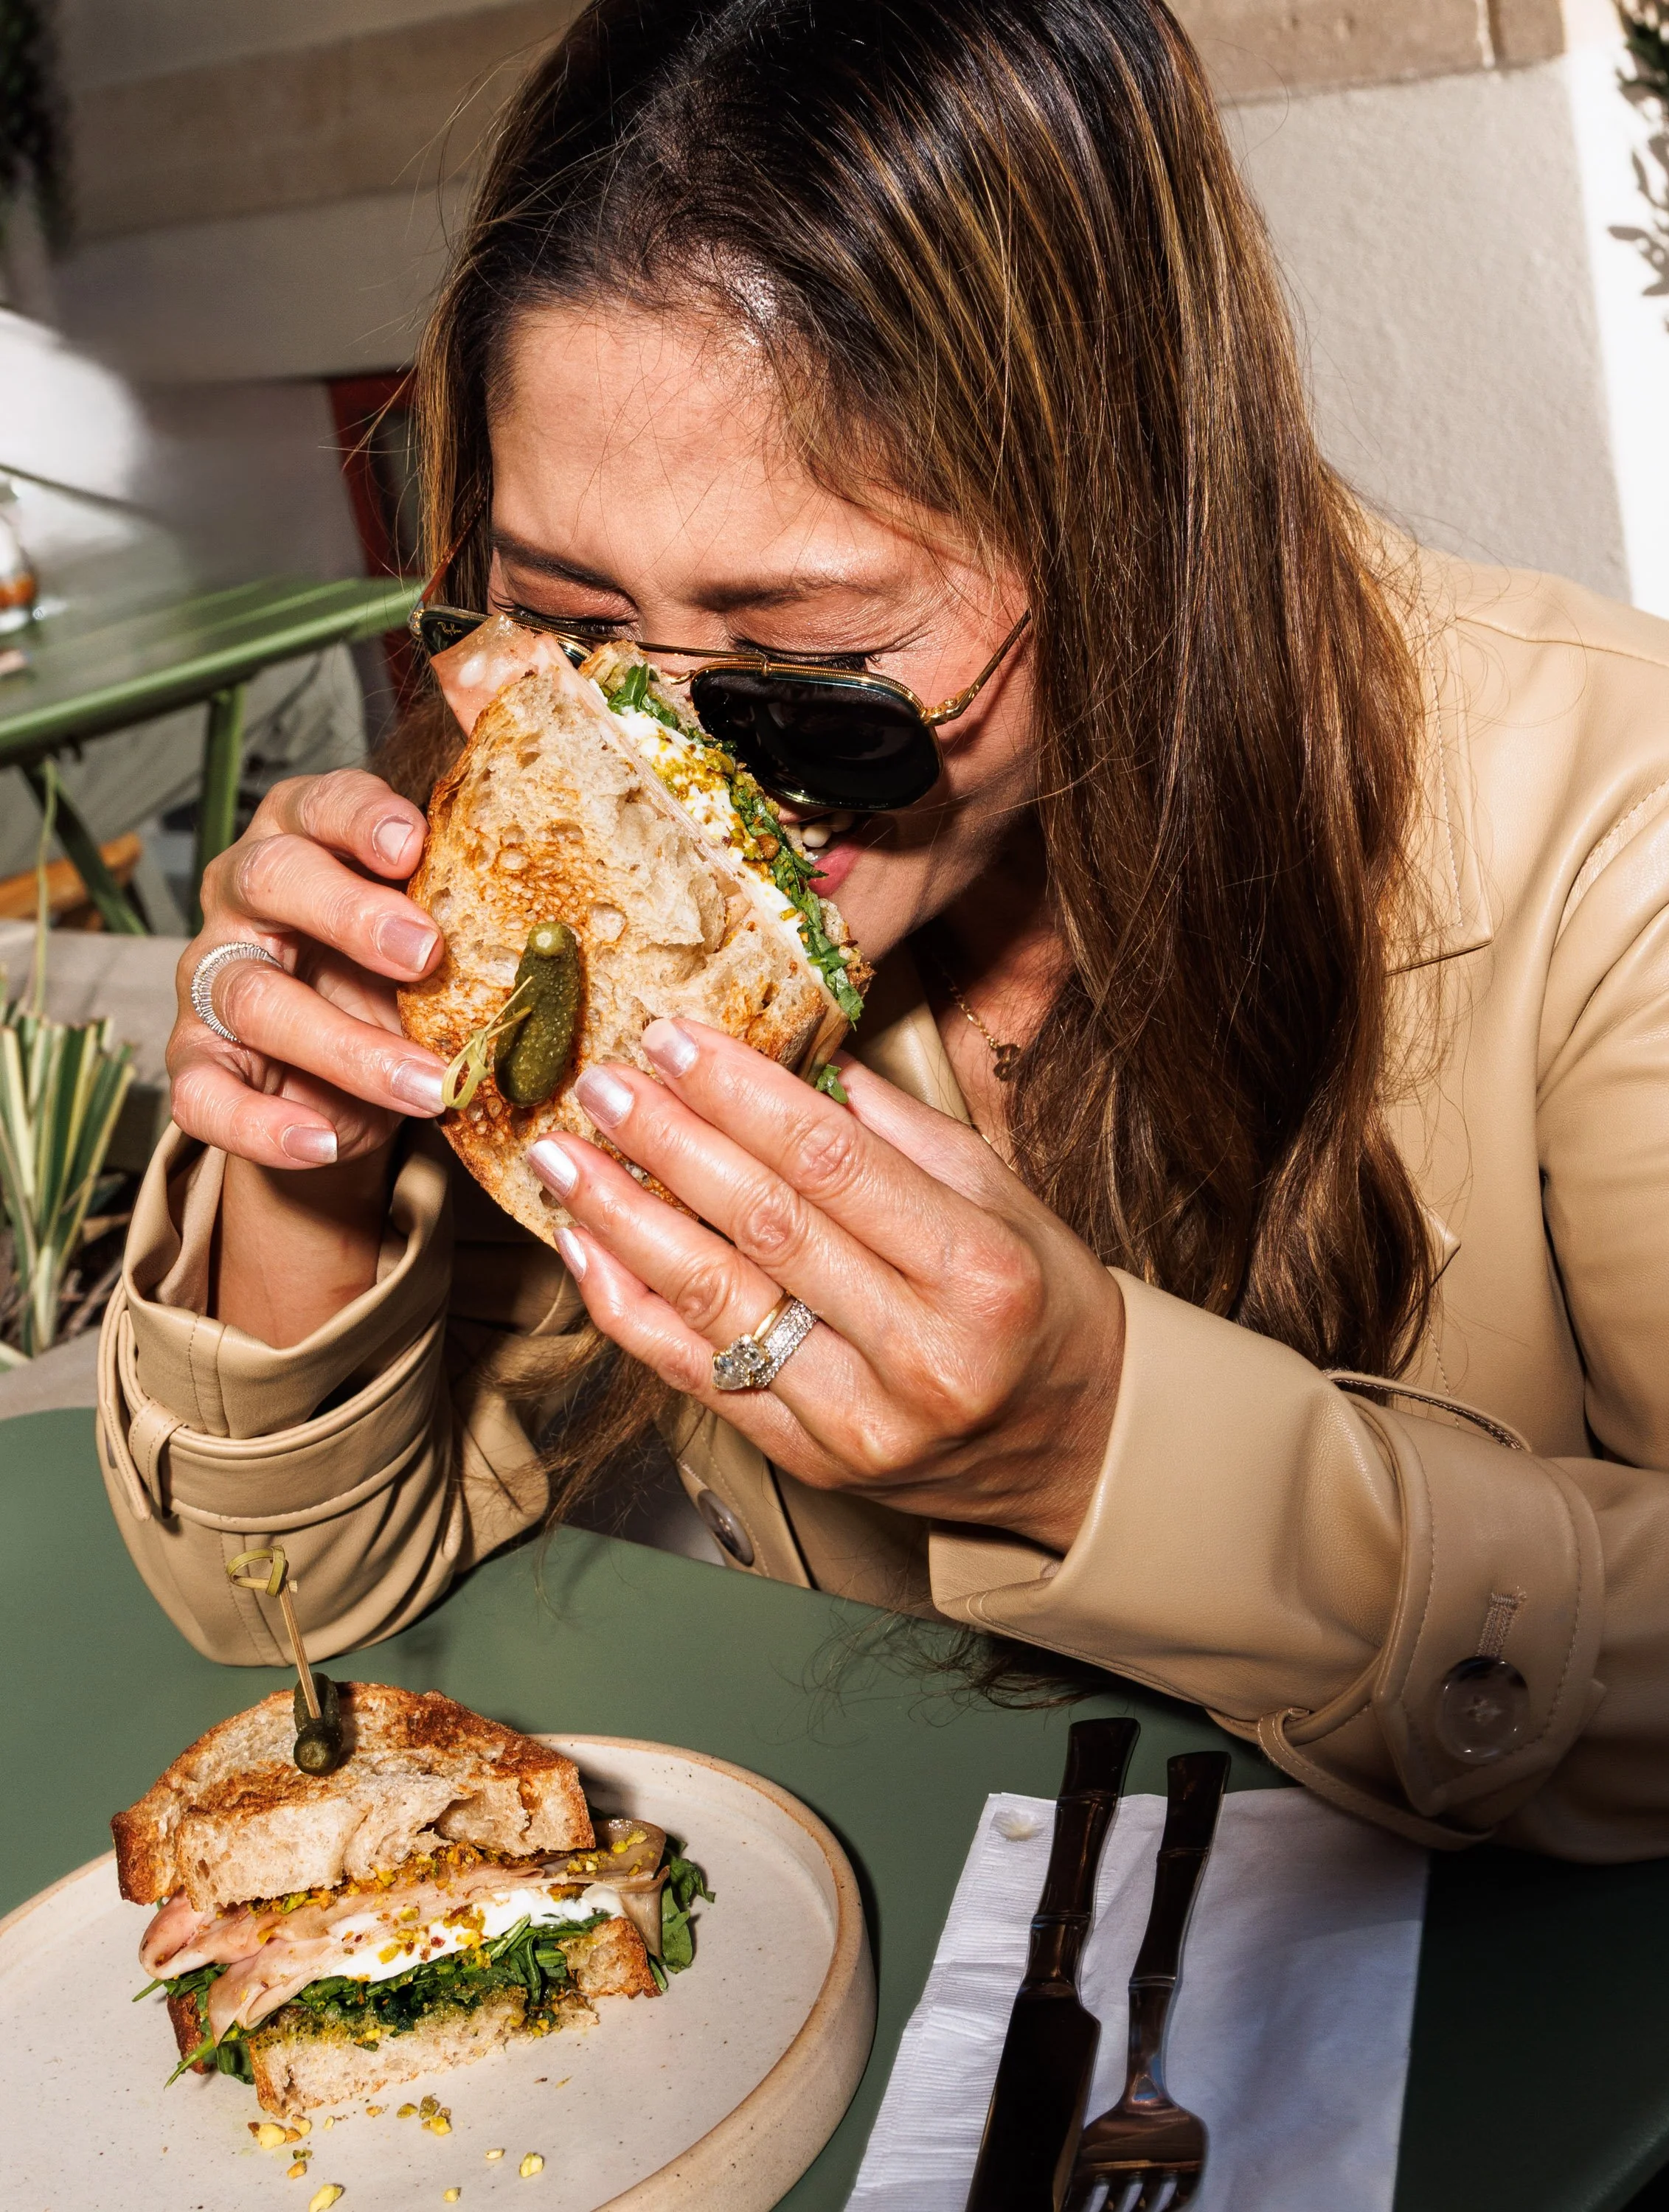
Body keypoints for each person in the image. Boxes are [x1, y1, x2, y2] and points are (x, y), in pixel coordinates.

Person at [99, 0, 1669, 1860]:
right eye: (572, 627)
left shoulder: (1609, 823)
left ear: (1141, 526)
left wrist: (1097, 1450)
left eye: (817, 667)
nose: (663, 792)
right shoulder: (579, 873)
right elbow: (283, 1600)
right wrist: (310, 1139)